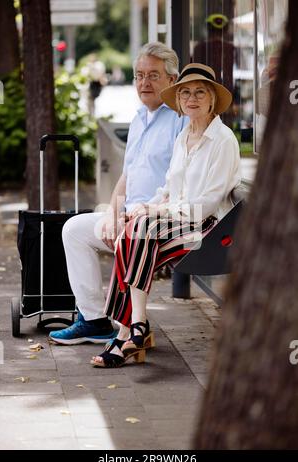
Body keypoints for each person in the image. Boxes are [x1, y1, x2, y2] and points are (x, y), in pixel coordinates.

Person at [91, 63, 241, 368]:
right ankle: (133, 330)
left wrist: (157, 210)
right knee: (132, 232)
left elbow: (208, 203)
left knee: (136, 233)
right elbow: (168, 187)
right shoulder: (184, 135)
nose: (192, 98)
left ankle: (129, 332)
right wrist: (150, 205)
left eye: (200, 92)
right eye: (185, 93)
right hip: (177, 224)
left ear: (213, 99)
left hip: (209, 230)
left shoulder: (223, 140)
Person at [49, 42, 188, 345]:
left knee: (130, 234)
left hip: (159, 219)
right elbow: (127, 176)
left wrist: (136, 214)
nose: (144, 83)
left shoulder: (182, 120)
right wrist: (113, 214)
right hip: (129, 214)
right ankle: (95, 321)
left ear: (172, 80)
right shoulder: (139, 118)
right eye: (139, 75)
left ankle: (132, 328)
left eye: (153, 75)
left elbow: (179, 184)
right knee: (73, 229)